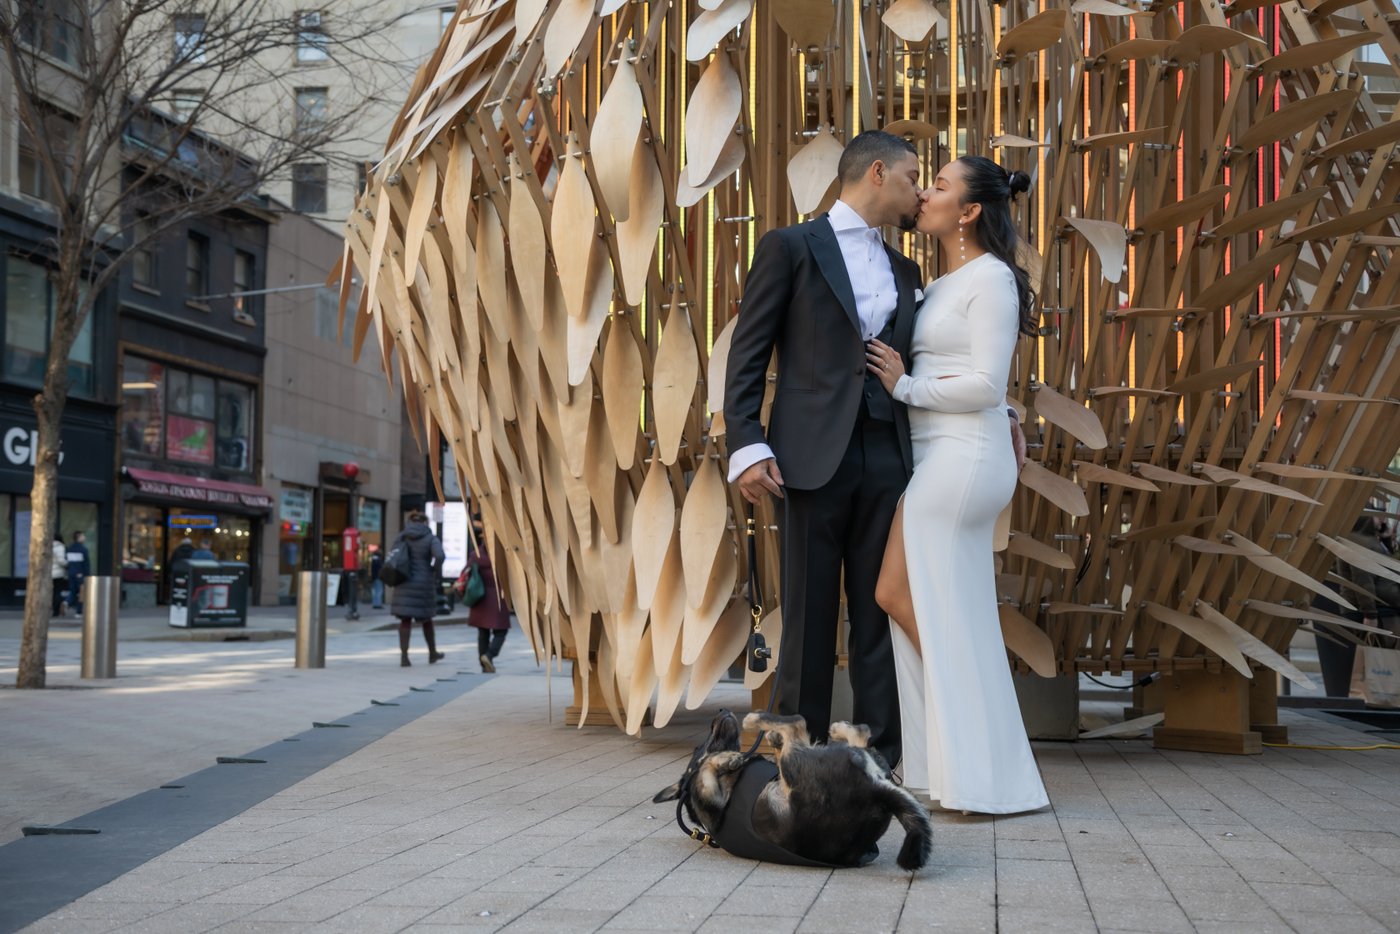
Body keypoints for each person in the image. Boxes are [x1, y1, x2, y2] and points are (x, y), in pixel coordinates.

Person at [723, 131, 1024, 768]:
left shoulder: (908, 272)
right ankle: (789, 760)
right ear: (879, 173)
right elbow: (746, 354)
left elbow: (942, 358)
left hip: (892, 457)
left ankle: (880, 760)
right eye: (916, 177)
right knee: (805, 616)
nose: (920, 192)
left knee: (878, 614)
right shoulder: (789, 247)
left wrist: (1005, 409)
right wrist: (746, 444)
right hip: (806, 457)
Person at [865, 155, 1048, 814]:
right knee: (914, 600)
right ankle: (960, 761)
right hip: (944, 452)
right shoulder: (940, 283)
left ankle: (976, 759)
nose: (926, 194)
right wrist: (1007, 415)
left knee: (904, 595)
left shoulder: (992, 280)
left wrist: (904, 385)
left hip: (963, 460)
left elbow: (986, 383)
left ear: (969, 211)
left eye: (939, 186)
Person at [390, 510, 446, 666]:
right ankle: (432, 653)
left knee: (405, 620)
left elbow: (392, 554)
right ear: (425, 522)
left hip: (404, 580)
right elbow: (440, 556)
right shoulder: (430, 537)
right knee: (426, 619)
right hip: (423, 583)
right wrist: (433, 570)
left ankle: (404, 657)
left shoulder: (402, 536)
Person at [462, 518, 510, 672]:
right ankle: (489, 655)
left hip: (480, 597)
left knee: (482, 632)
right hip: (497, 596)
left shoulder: (475, 555)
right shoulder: (502, 555)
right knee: (501, 631)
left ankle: (484, 665)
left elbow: (465, 572)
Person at [66, 531, 91, 616]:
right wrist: (87, 575)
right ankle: (78, 611)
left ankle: (66, 602)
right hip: (80, 573)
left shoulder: (70, 548)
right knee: (81, 592)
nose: (84, 538)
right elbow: (85, 564)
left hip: (71, 573)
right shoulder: (83, 549)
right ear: (79, 537)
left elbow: (68, 562)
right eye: (83, 536)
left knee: (72, 591)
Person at [51, 533, 67, 617]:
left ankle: (55, 609)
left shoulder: (49, 546)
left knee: (53, 592)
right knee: (57, 592)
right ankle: (56, 610)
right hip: (58, 573)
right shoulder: (60, 547)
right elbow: (61, 560)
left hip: (50, 573)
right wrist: (67, 564)